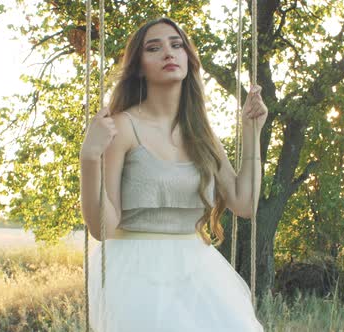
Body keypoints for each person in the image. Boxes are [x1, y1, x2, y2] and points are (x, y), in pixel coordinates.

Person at [80, 17, 267, 332]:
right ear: (139, 67)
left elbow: (245, 203)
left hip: (197, 268)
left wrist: (251, 132)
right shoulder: (123, 127)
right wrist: (89, 158)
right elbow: (104, 227)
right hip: (135, 269)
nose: (168, 52)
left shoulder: (201, 133)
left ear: (188, 59)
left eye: (176, 45)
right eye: (154, 48)